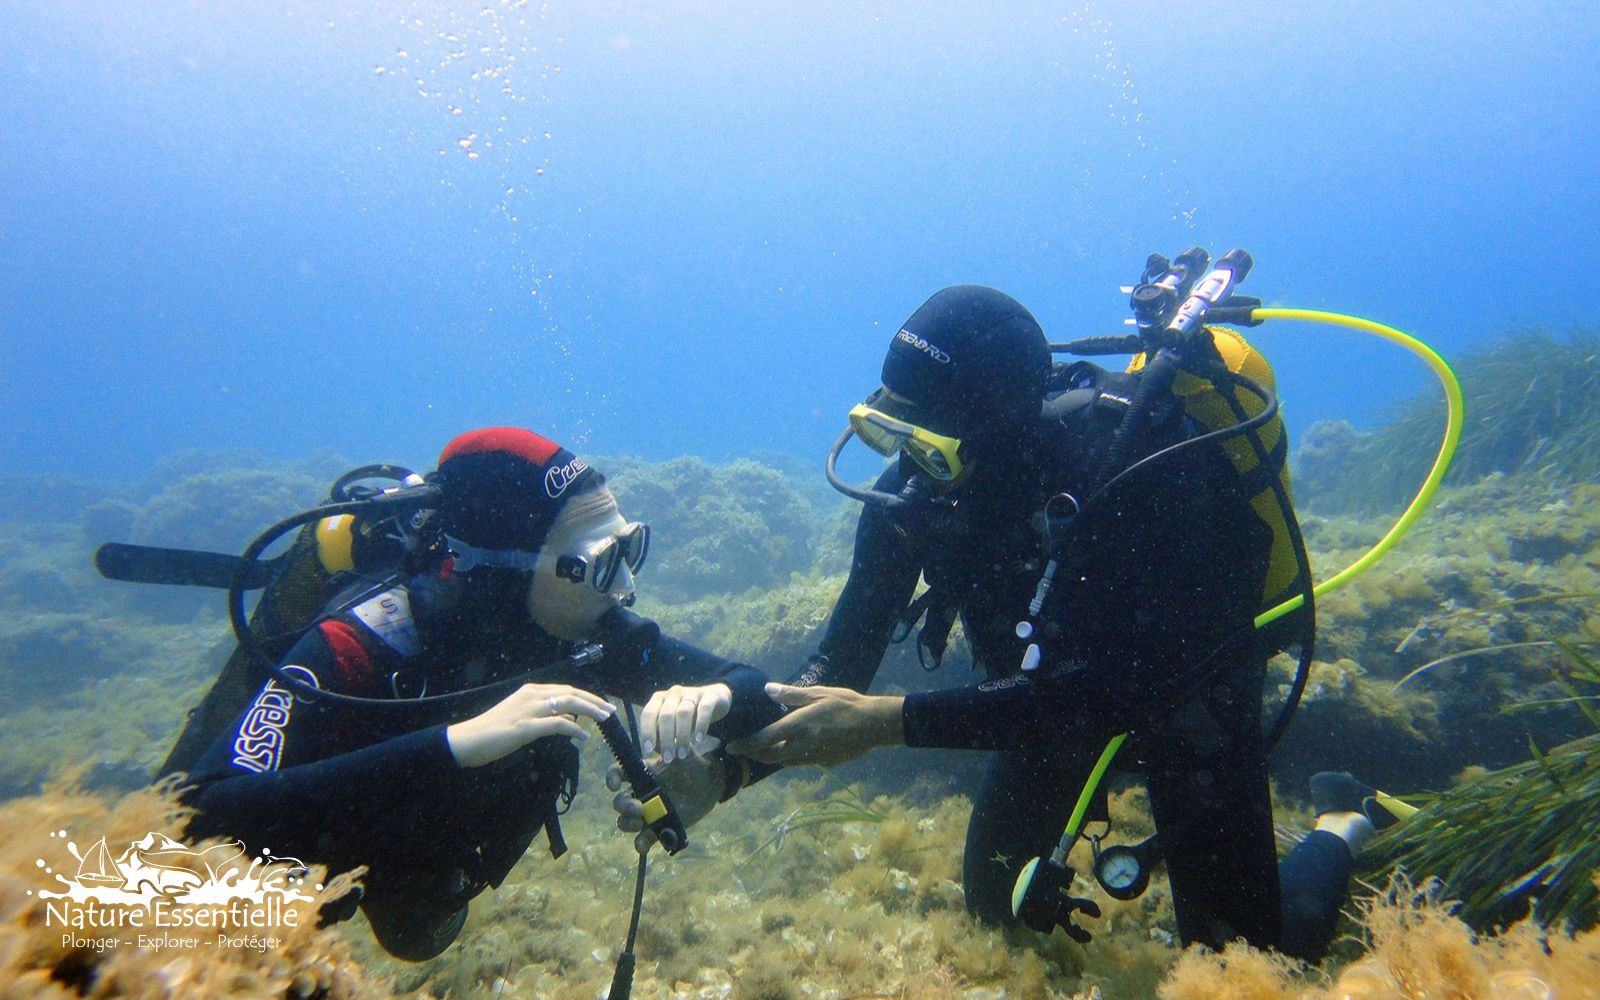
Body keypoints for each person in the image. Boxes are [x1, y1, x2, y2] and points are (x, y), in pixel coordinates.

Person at [699, 285, 1368, 961]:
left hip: (1184, 701)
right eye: (890, 428)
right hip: (1040, 708)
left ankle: (1342, 821)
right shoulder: (915, 494)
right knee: (995, 904)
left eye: (926, 439)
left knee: (1247, 958)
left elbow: (1114, 691)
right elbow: (837, 666)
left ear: (996, 425)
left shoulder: (1125, 476)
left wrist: (887, 721)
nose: (909, 468)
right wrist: (722, 767)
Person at [183, 427, 778, 961]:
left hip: (432, 880)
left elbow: (760, 692)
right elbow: (201, 817)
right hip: (311, 858)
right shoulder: (361, 642)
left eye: (630, 548)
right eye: (600, 562)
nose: (624, 586)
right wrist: (454, 745)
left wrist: (717, 698)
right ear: (504, 569)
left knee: (418, 933)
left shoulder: (582, 629)